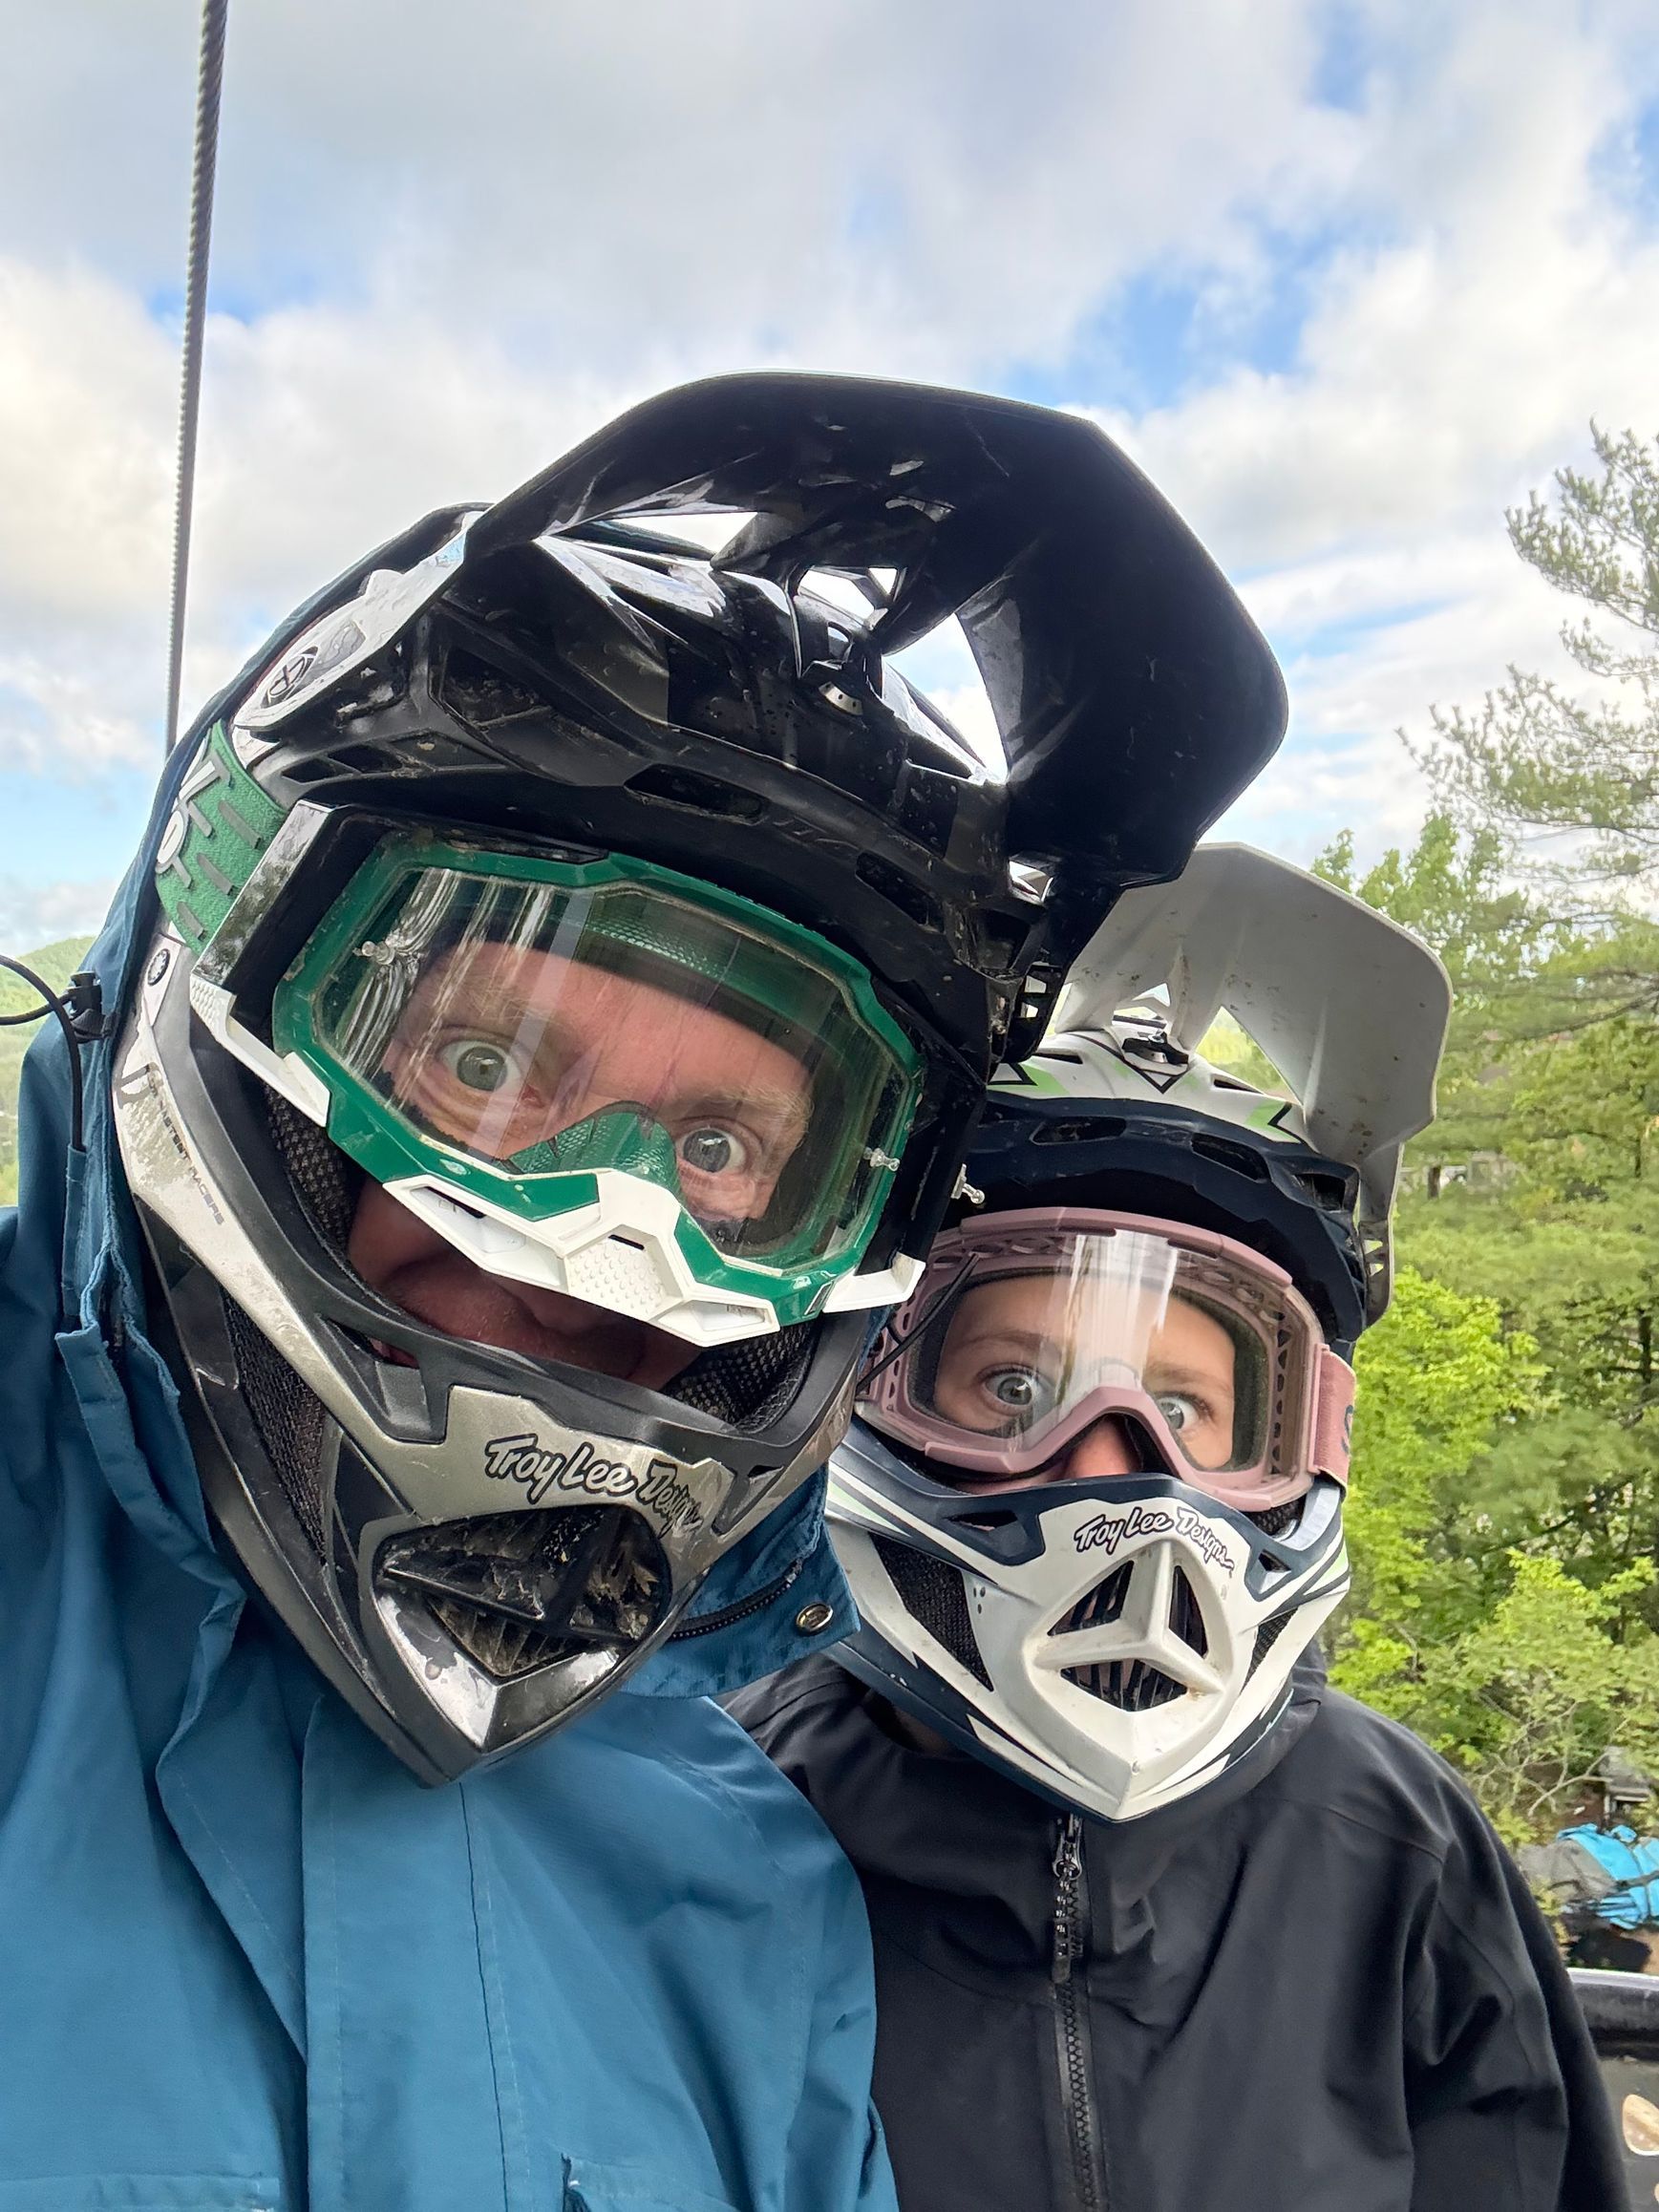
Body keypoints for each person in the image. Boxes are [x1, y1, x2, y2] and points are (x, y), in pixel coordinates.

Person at [0, 374, 1287, 2210]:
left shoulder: (744, 1884)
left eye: (716, 1155)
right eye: (481, 1066)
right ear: (242, 972)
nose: (594, 1236)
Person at [734, 843, 1627, 2212]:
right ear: (872, 1383)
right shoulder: (718, 1820)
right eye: (1014, 1388)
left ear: (1298, 1442)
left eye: (1191, 1412)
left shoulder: (1391, 1835)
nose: (1114, 1468)